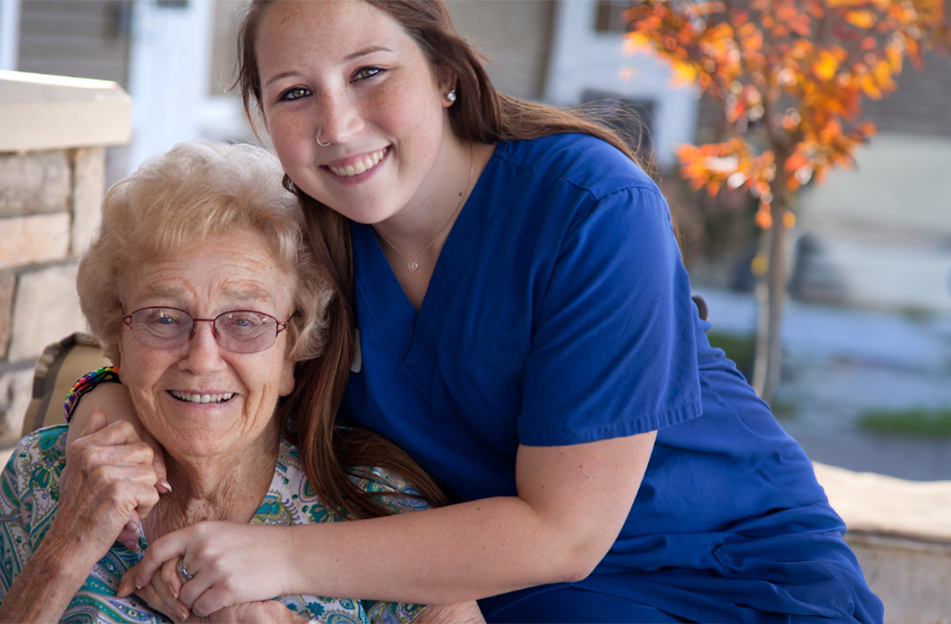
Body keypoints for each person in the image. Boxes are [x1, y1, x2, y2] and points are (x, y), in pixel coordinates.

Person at [67, 1, 885, 622]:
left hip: (723, 575)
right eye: (293, 93)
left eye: (368, 73)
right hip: (489, 586)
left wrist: (277, 560)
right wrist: (103, 400)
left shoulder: (590, 206)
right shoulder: (310, 234)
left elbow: (567, 535)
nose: (336, 125)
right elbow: (180, 329)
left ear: (446, 74)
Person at [0, 140, 482, 623]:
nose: (202, 359)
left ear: (292, 350)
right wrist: (64, 550)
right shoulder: (44, 475)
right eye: (163, 317)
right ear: (119, 338)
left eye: (245, 322)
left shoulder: (376, 504)